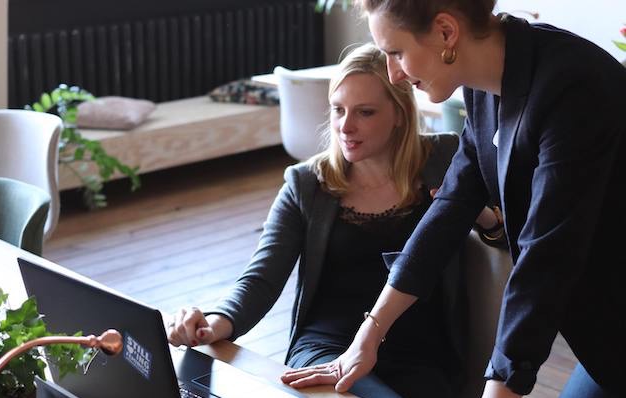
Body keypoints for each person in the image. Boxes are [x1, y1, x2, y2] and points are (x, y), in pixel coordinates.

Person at [281, 1, 626, 398]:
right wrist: (369, 334)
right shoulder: (486, 89)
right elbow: (451, 206)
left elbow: (546, 257)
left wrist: (501, 383)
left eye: (396, 53)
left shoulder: (571, 86)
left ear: (446, 32)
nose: (393, 73)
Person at [168, 43, 466, 397]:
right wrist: (214, 323)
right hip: (327, 346)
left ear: (400, 112)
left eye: (365, 112)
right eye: (338, 110)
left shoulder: (445, 158)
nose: (346, 126)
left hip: (420, 353)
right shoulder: (307, 183)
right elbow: (261, 277)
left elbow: (504, 234)